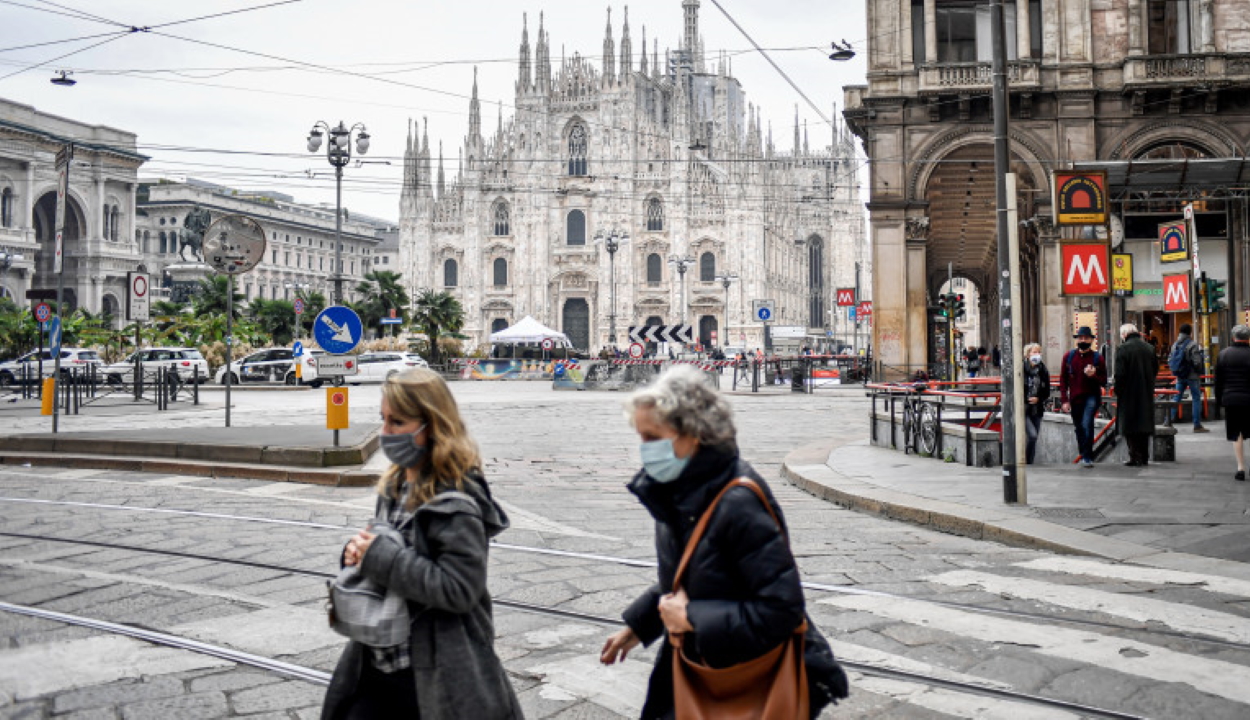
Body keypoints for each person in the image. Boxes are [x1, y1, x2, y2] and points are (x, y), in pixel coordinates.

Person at [600, 366, 846, 718]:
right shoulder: (678, 491)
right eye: (641, 437)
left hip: (739, 682)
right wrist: (640, 626)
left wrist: (693, 618)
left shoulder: (737, 502)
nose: (645, 451)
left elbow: (783, 609)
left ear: (693, 434)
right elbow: (698, 573)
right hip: (699, 666)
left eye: (653, 438)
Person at [322, 369, 522, 720]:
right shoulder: (395, 485)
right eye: (383, 420)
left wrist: (381, 556)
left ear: (431, 424)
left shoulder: (456, 497)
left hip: (435, 672)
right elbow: (382, 552)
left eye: (397, 422)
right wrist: (356, 554)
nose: (385, 433)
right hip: (379, 661)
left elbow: (460, 589)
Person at [1059, 326, 1108, 468]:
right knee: (1079, 427)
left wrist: (1093, 376)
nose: (1083, 340)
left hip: (1092, 396)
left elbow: (1104, 381)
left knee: (1087, 423)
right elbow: (1063, 380)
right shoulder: (1068, 357)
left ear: (1092, 340)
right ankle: (1084, 452)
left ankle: (1087, 456)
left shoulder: (1098, 358)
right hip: (1075, 397)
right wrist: (1064, 400)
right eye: (1080, 338)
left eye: (1086, 338)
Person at [1114, 323, 1159, 467]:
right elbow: (1155, 369)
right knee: (1144, 424)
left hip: (1128, 393)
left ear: (1124, 335)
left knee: (1130, 425)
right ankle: (1145, 457)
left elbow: (1120, 374)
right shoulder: (1149, 348)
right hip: (1146, 391)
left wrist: (1118, 390)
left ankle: (1134, 456)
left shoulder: (1122, 349)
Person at [1215, 324, 1250, 481]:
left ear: (1233, 337)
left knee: (1237, 433)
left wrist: (1218, 400)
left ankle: (1241, 467)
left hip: (1231, 398)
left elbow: (1218, 381)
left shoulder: (1223, 354)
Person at [1168, 323, 1209, 433]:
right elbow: (1197, 362)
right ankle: (1197, 425)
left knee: (1176, 398)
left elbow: (1170, 359)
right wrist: (1199, 369)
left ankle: (1168, 421)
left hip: (1180, 375)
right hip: (1192, 376)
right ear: (1190, 332)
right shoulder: (1192, 344)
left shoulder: (1175, 344)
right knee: (1196, 398)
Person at [1023, 342, 1050, 464]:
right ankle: (1027, 461)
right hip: (1023, 408)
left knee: (1034, 438)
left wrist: (1038, 398)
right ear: (1027, 354)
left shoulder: (1043, 370)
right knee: (1032, 435)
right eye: (1034, 352)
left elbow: (1047, 390)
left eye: (1039, 352)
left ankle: (1030, 462)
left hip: (1037, 408)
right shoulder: (1021, 368)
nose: (1037, 354)